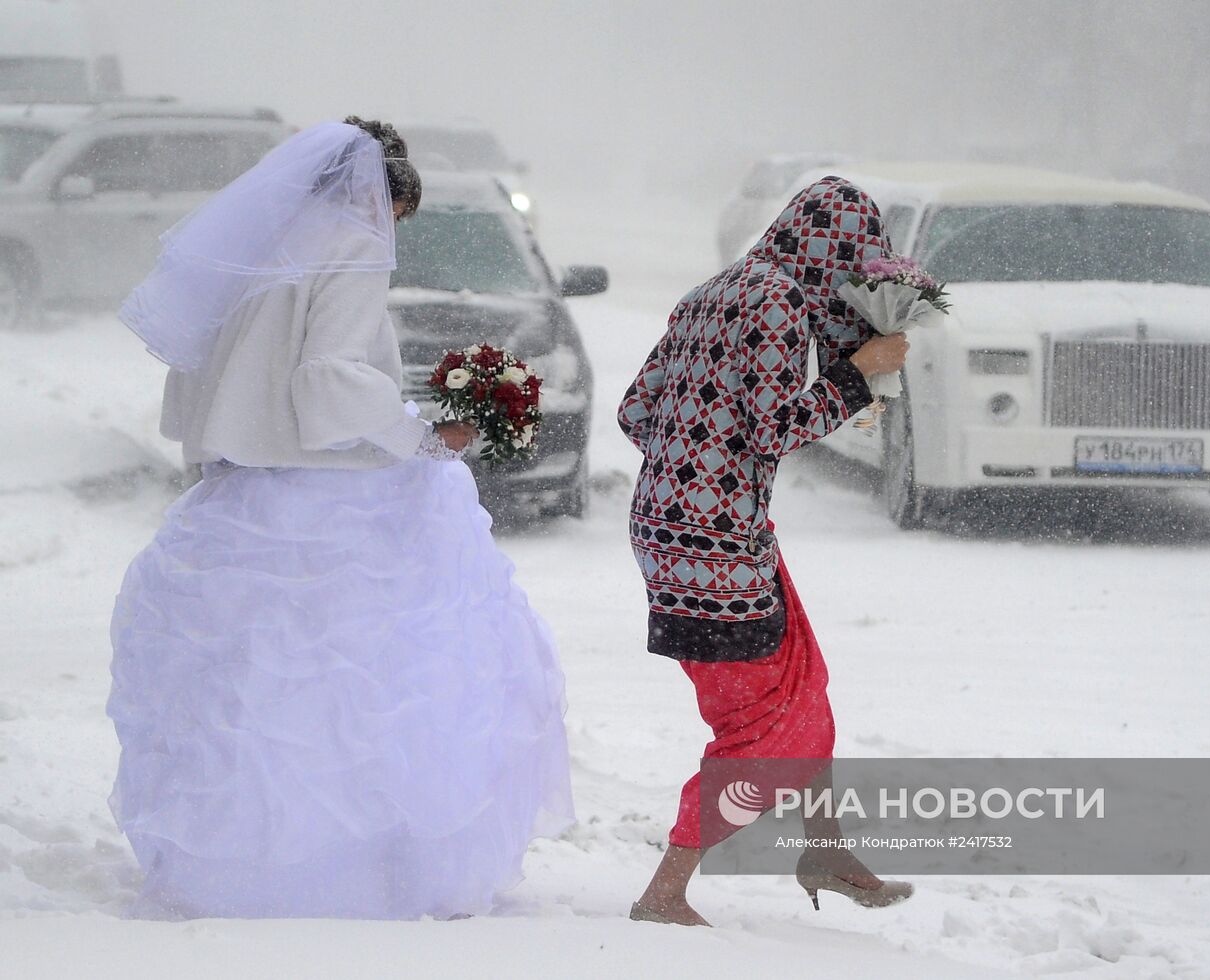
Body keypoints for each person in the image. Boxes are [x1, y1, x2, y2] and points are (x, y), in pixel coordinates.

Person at [106, 118, 572, 919]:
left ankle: (242, 870)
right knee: (376, 692)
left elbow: (210, 369)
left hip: (245, 496)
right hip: (337, 497)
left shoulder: (261, 245)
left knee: (259, 696)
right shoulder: (350, 242)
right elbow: (327, 376)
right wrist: (422, 433)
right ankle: (365, 873)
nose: (390, 234)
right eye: (396, 216)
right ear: (378, 196)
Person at [617, 176, 912, 926]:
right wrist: (859, 375)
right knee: (765, 729)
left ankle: (825, 847)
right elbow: (776, 428)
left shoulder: (711, 291)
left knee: (801, 685)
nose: (852, 272)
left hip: (676, 530)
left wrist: (696, 462)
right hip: (718, 547)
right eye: (853, 255)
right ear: (831, 248)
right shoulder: (778, 300)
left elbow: (635, 409)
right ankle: (665, 892)